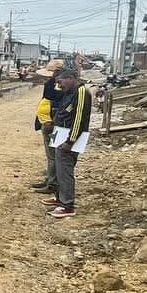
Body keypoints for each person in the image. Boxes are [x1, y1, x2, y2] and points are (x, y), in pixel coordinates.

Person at [44, 68, 92, 220]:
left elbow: (79, 118)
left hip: (69, 138)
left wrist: (70, 141)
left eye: (60, 82)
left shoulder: (81, 92)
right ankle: (60, 198)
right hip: (61, 133)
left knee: (65, 171)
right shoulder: (70, 92)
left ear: (71, 78)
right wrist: (54, 123)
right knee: (59, 169)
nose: (59, 85)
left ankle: (67, 206)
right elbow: (65, 111)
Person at [31, 60, 65, 196]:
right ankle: (50, 179)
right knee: (50, 156)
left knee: (53, 156)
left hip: (53, 124)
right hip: (47, 123)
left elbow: (51, 97)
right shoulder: (54, 85)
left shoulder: (59, 87)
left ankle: (52, 183)